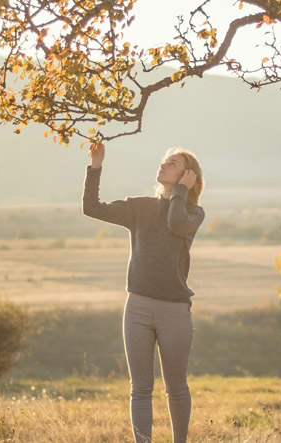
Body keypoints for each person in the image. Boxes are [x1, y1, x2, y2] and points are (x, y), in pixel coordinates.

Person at [82, 144, 205, 443]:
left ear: (188, 176)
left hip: (174, 311)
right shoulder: (139, 207)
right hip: (136, 308)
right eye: (163, 161)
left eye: (172, 163)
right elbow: (92, 208)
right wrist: (95, 167)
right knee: (140, 388)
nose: (163, 165)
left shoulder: (193, 213)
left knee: (176, 388)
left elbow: (174, 223)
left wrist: (180, 193)